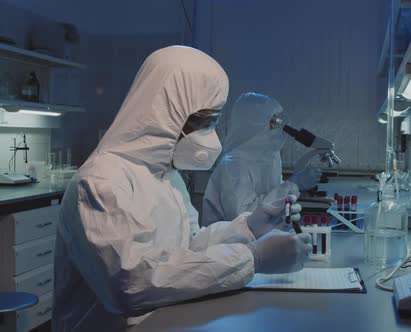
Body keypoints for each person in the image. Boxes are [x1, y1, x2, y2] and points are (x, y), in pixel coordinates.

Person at [52, 46, 311, 332]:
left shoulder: (166, 176)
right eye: (204, 122)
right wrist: (253, 257)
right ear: (166, 114)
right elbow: (132, 283)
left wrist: (249, 226)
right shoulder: (101, 181)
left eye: (214, 121)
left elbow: (188, 247)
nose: (211, 136)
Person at [202, 92, 322, 226]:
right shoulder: (233, 166)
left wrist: (294, 188)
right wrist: (294, 184)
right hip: (230, 244)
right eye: (273, 121)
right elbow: (243, 218)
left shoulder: (270, 159)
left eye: (278, 119)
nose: (279, 126)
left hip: (260, 240)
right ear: (254, 124)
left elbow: (272, 193)